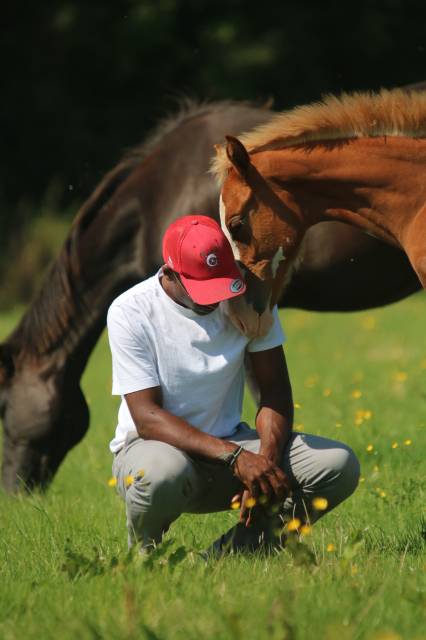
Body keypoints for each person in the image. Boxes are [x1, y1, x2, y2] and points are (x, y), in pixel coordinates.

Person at [107, 215, 359, 555]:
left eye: (220, 283)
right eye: (202, 288)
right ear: (169, 273)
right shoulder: (130, 311)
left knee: (338, 465)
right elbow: (147, 417)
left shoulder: (249, 299)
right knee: (160, 476)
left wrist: (265, 462)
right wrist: (235, 457)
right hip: (157, 451)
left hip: (233, 449)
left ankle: (238, 552)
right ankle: (144, 558)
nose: (214, 299)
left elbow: (275, 392)